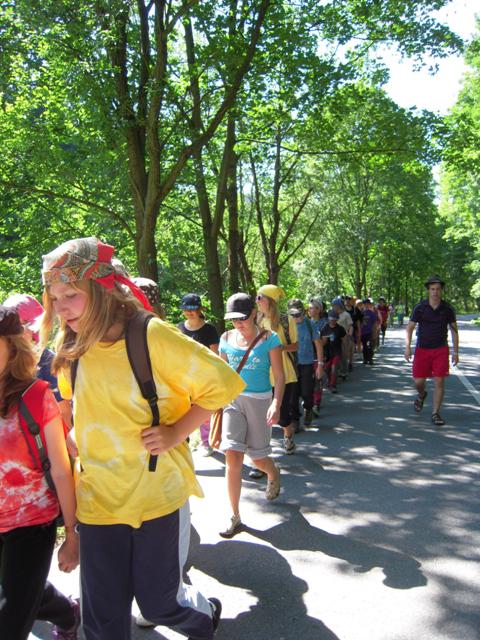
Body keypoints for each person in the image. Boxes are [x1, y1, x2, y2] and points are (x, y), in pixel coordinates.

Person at [40, 237, 245, 640]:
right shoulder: (70, 344)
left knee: (158, 605)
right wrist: (76, 434)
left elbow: (222, 384)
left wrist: (176, 432)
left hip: (155, 496)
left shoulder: (150, 334)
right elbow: (76, 404)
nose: (60, 307)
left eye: (71, 295)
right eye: (54, 297)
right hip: (98, 501)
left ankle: (203, 615)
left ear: (102, 290)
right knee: (102, 620)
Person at [0, 305, 80, 640]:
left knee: (8, 622)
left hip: (31, 524)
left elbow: (61, 471)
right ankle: (69, 613)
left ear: (12, 346)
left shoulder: (36, 396)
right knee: (20, 590)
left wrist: (73, 536)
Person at [218, 293, 284, 538]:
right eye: (233, 319)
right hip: (233, 401)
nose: (238, 323)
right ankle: (234, 515)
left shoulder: (269, 338)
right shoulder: (225, 338)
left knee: (257, 459)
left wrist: (276, 403)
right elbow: (222, 374)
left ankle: (273, 472)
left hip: (260, 402)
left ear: (254, 314)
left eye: (242, 318)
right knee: (233, 457)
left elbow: (279, 376)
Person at [3, 293, 73, 431]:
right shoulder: (4, 360)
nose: (17, 332)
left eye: (24, 324)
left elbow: (64, 414)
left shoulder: (48, 362)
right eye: (13, 325)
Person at [405, 274, 459, 426]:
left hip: (440, 349)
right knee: (419, 381)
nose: (435, 292)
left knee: (439, 380)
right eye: (432, 289)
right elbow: (410, 328)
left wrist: (455, 352)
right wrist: (408, 347)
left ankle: (435, 413)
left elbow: (454, 330)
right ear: (428, 290)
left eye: (438, 289)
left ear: (441, 290)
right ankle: (422, 394)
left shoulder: (447, 308)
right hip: (422, 349)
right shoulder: (420, 308)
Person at [256, 284, 298, 455]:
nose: (257, 301)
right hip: (262, 373)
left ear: (270, 301)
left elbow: (296, 345)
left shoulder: (287, 320)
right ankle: (261, 450)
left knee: (282, 415)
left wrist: (280, 348)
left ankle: (288, 435)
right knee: (261, 413)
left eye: (260, 298)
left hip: (284, 374)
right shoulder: (256, 320)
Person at [177, 293, 220, 456]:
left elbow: (215, 355)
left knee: (203, 410)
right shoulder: (179, 328)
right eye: (186, 309)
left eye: (192, 309)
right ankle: (183, 442)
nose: (189, 312)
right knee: (182, 410)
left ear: (200, 309)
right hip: (184, 376)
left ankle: (206, 442)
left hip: (204, 377)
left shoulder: (209, 329)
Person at [288, 300, 320, 428]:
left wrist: (320, 364)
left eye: (298, 314)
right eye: (293, 314)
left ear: (303, 311)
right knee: (293, 394)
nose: (296, 317)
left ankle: (308, 408)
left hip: (307, 363)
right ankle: (295, 419)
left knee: (307, 392)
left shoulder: (309, 324)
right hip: (291, 364)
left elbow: (318, 344)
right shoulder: (285, 325)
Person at [318, 310, 346, 393]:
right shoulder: (324, 328)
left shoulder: (340, 329)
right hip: (327, 352)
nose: (332, 321)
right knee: (327, 369)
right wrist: (325, 340)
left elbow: (344, 340)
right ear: (328, 319)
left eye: (334, 319)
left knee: (334, 368)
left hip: (337, 351)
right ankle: (330, 381)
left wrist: (345, 351)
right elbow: (322, 343)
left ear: (337, 319)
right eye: (331, 319)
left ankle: (333, 385)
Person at [307, 299, 327, 413]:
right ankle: (308, 401)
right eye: (308, 308)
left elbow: (324, 342)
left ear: (319, 310)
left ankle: (316, 403)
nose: (309, 310)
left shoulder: (324, 323)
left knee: (317, 380)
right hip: (305, 356)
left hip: (318, 355)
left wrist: (314, 342)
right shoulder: (305, 323)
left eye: (311, 308)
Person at [360, 298, 377, 365]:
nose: (366, 305)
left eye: (367, 304)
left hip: (370, 332)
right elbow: (358, 323)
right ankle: (365, 359)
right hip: (363, 332)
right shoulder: (361, 313)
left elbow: (374, 324)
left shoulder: (372, 313)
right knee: (364, 346)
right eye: (365, 304)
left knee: (370, 346)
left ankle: (370, 359)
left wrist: (375, 333)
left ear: (370, 305)